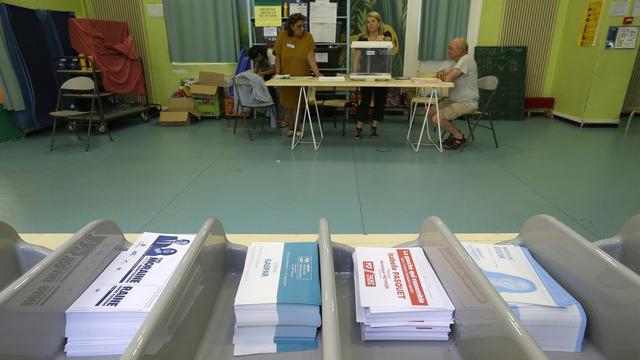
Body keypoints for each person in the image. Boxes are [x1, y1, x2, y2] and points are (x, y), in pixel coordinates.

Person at [352, 11, 399, 140]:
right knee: (364, 102)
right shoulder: (362, 38)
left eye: (373, 21)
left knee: (380, 102)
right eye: (368, 22)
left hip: (381, 75)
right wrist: (354, 74)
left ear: (379, 23)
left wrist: (383, 40)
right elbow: (357, 57)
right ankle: (359, 128)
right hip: (365, 75)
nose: (370, 24)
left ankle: (374, 128)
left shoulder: (386, 35)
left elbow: (390, 45)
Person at [274, 13, 321, 136]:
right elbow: (277, 56)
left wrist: (318, 74)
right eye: (299, 26)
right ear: (291, 26)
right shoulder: (283, 36)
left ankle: (297, 128)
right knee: (288, 104)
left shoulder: (308, 37)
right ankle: (291, 128)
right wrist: (277, 75)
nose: (302, 29)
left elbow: (311, 56)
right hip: (286, 78)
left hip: (302, 76)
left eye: (303, 26)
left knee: (298, 104)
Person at [429, 37, 479, 150]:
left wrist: (444, 76)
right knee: (431, 112)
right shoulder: (455, 62)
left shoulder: (466, 59)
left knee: (437, 118)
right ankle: (453, 132)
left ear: (461, 50)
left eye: (451, 48)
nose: (448, 51)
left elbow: (447, 78)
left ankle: (459, 136)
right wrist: (443, 75)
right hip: (454, 100)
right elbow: (441, 74)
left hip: (466, 103)